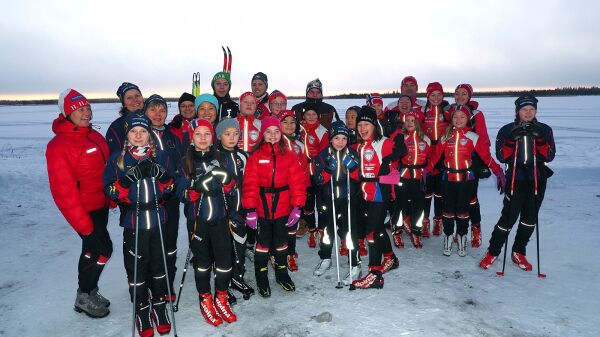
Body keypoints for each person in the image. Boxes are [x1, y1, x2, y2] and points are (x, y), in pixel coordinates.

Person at [103, 113, 175, 337]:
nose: (138, 135)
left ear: (149, 135)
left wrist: (162, 176)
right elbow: (110, 190)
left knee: (158, 265)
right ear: (127, 136)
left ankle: (160, 306)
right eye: (134, 131)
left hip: (157, 218)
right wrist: (127, 180)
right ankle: (142, 308)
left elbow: (171, 187)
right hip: (134, 221)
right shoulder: (119, 159)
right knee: (137, 267)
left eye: (143, 131)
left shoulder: (159, 155)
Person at [46, 89, 112, 318]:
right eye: (79, 109)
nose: (86, 113)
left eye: (87, 108)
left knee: (94, 251)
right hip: (84, 211)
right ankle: (84, 295)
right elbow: (63, 191)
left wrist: (111, 197)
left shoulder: (93, 135)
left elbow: (104, 171)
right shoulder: (59, 146)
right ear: (67, 114)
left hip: (100, 206)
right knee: (100, 250)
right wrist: (83, 224)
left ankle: (89, 292)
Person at [480, 95, 555, 271]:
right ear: (517, 111)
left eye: (531, 109)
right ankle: (493, 251)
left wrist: (541, 139)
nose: (528, 113)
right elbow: (501, 156)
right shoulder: (507, 129)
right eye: (524, 109)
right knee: (508, 218)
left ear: (536, 110)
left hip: (537, 179)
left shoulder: (545, 129)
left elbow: (549, 156)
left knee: (529, 219)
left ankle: (518, 251)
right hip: (516, 179)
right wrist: (512, 140)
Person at [177, 118, 239, 326]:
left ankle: (221, 296)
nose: (203, 138)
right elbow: (182, 193)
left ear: (212, 137)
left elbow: (233, 188)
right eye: (198, 134)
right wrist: (195, 188)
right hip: (198, 222)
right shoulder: (185, 161)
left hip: (220, 219)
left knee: (224, 262)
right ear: (191, 138)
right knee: (202, 264)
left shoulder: (222, 157)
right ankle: (205, 298)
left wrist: (227, 179)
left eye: (207, 134)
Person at [424, 104, 504, 257]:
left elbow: (486, 157)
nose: (458, 119)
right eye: (455, 116)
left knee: (462, 211)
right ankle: (447, 237)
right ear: (451, 119)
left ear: (467, 119)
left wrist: (498, 171)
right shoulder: (446, 136)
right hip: (447, 179)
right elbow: (435, 158)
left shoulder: (473, 137)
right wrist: (426, 170)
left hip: (465, 181)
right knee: (447, 211)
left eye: (462, 117)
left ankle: (461, 237)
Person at [242, 117, 307, 297]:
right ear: (263, 134)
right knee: (262, 245)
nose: (272, 135)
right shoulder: (256, 156)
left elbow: (297, 182)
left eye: (276, 131)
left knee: (281, 244)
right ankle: (261, 278)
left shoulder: (289, 155)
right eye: (269, 132)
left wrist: (298, 206)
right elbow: (250, 184)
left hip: (283, 207)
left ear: (281, 133)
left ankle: (282, 274)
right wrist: (250, 210)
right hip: (262, 207)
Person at [350, 106, 407, 290]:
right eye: (360, 124)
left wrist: (396, 132)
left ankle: (375, 274)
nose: (362, 128)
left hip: (381, 193)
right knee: (378, 228)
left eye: (366, 124)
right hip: (366, 192)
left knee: (372, 232)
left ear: (375, 125)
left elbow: (401, 149)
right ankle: (390, 258)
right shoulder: (361, 145)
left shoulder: (383, 142)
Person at [144, 94, 184, 301]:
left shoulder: (172, 136)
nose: (158, 114)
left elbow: (182, 165)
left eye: (162, 110)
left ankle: (168, 282)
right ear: (146, 112)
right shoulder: (141, 134)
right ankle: (152, 282)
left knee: (169, 244)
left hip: (170, 201)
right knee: (151, 244)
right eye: (153, 110)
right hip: (148, 202)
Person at [313, 121, 362, 284]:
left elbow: (360, 177)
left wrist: (353, 168)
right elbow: (318, 179)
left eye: (344, 138)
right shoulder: (323, 155)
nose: (340, 142)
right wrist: (327, 170)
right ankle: (326, 258)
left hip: (348, 198)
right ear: (331, 139)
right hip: (330, 197)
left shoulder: (353, 153)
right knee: (327, 231)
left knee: (349, 231)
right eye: (336, 138)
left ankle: (355, 263)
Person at [214, 117, 255, 300]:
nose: (232, 137)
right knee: (222, 249)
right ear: (219, 135)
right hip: (220, 212)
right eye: (227, 134)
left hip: (240, 210)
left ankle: (237, 277)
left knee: (239, 245)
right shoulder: (214, 156)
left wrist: (249, 206)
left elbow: (249, 183)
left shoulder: (243, 156)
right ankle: (223, 284)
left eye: (235, 134)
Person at [453, 83, 492, 247]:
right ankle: (459, 230)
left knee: (471, 198)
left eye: (464, 94)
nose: (460, 96)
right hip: (455, 160)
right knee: (456, 197)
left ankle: (476, 229)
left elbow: (483, 138)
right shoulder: (453, 111)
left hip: (472, 160)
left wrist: (484, 163)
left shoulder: (476, 114)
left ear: (469, 96)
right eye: (457, 93)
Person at [277, 109, 311, 271]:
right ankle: (276, 252)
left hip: (295, 193)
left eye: (292, 122)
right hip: (279, 192)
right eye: (285, 122)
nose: (289, 125)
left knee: (292, 225)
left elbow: (304, 169)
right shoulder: (275, 143)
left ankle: (290, 252)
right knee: (278, 225)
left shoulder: (298, 145)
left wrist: (304, 189)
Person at [419, 82, 451, 237]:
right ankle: (424, 222)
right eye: (433, 95)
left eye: (439, 95)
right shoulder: (422, 112)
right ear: (428, 96)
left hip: (443, 155)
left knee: (440, 192)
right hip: (426, 154)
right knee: (426, 191)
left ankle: (438, 220)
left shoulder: (448, 111)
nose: (436, 98)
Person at [395, 110, 430, 248]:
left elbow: (431, 158)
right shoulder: (401, 137)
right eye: (407, 120)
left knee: (419, 206)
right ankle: (397, 232)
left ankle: (417, 232)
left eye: (413, 120)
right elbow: (394, 157)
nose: (409, 123)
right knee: (400, 205)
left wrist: (428, 171)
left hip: (419, 177)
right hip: (403, 176)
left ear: (418, 122)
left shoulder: (425, 139)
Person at [299, 104, 330, 248]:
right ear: (303, 116)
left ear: (318, 116)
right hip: (304, 173)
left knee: (322, 204)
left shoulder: (322, 131)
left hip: (318, 172)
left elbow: (324, 154)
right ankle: (311, 230)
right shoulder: (299, 129)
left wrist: (320, 169)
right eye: (308, 114)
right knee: (308, 205)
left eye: (314, 114)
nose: (311, 117)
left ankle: (321, 229)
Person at [106, 82, 144, 155]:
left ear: (142, 98)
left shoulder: (153, 120)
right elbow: (115, 157)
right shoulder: (116, 127)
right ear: (124, 103)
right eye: (129, 98)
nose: (135, 100)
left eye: (137, 96)